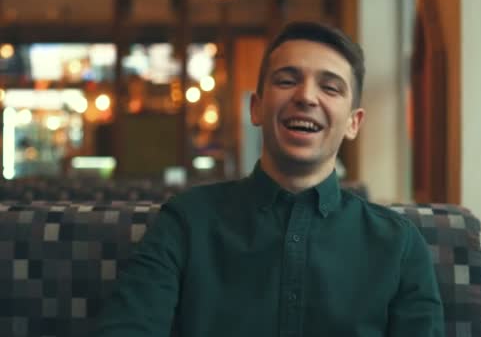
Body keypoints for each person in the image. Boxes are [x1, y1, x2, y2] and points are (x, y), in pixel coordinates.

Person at [94, 21, 444, 336]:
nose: (306, 96)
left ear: (354, 122)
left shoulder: (398, 245)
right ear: (256, 108)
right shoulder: (186, 222)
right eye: (287, 80)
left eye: (330, 88)